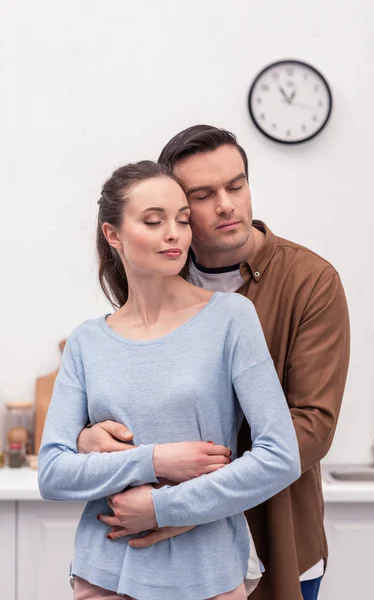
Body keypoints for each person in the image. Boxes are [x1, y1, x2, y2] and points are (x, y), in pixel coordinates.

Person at [78, 126, 351, 600]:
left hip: (275, 541)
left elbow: (311, 426)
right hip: (163, 556)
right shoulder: (155, 271)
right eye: (203, 195)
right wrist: (85, 435)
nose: (226, 204)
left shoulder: (312, 282)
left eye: (236, 185)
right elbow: (128, 388)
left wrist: (185, 505)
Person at [38, 160, 301, 600]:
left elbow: (280, 458)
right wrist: (154, 461)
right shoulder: (88, 341)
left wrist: (161, 507)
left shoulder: (231, 320)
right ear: (113, 235)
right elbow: (53, 473)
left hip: (208, 573)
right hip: (103, 572)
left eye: (181, 219)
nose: (174, 233)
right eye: (153, 221)